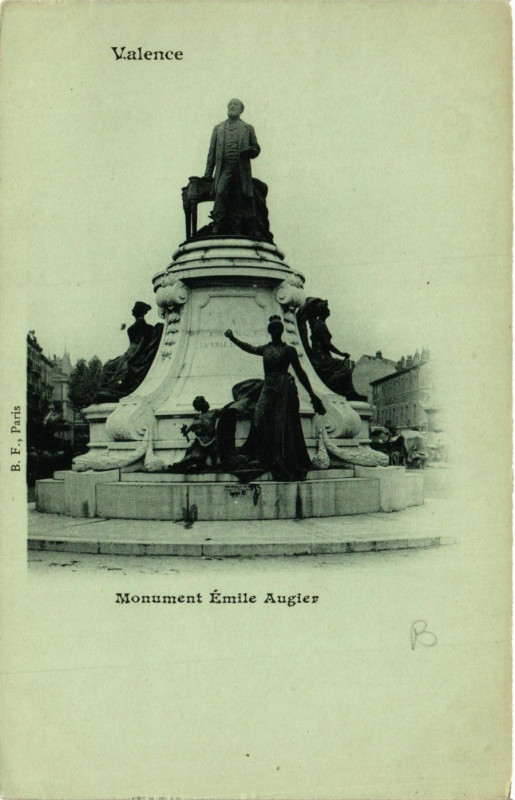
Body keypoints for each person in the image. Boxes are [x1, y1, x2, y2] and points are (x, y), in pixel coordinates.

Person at [223, 316, 325, 481]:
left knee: (281, 423)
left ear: (281, 331)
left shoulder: (289, 350)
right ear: (270, 331)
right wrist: (233, 338)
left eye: (278, 329)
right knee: (258, 416)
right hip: (268, 385)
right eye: (273, 329)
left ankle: (278, 457)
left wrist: (312, 394)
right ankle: (260, 454)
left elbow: (300, 372)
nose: (276, 331)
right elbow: (249, 348)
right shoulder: (266, 349)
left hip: (283, 386)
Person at [204, 98, 260, 235]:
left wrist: (250, 151)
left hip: (241, 170)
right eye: (230, 104)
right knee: (221, 192)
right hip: (225, 168)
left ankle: (237, 227)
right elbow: (211, 152)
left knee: (238, 196)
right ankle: (217, 224)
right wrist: (207, 174)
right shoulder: (218, 129)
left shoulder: (248, 128)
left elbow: (256, 148)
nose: (232, 106)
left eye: (236, 105)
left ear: (241, 110)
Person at [94, 302, 163, 402]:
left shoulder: (141, 325)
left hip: (134, 352)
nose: (132, 310)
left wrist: (134, 356)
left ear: (138, 311)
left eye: (134, 308)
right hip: (129, 352)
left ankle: (113, 389)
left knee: (120, 367)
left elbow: (142, 342)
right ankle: (108, 389)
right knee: (109, 365)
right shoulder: (138, 325)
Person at [168, 396, 220, 473]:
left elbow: (225, 410)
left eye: (196, 407)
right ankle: (180, 465)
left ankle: (211, 466)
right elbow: (190, 428)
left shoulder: (213, 412)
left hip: (209, 441)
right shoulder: (197, 416)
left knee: (198, 455)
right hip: (199, 441)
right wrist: (185, 431)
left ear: (202, 404)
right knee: (189, 451)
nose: (196, 409)